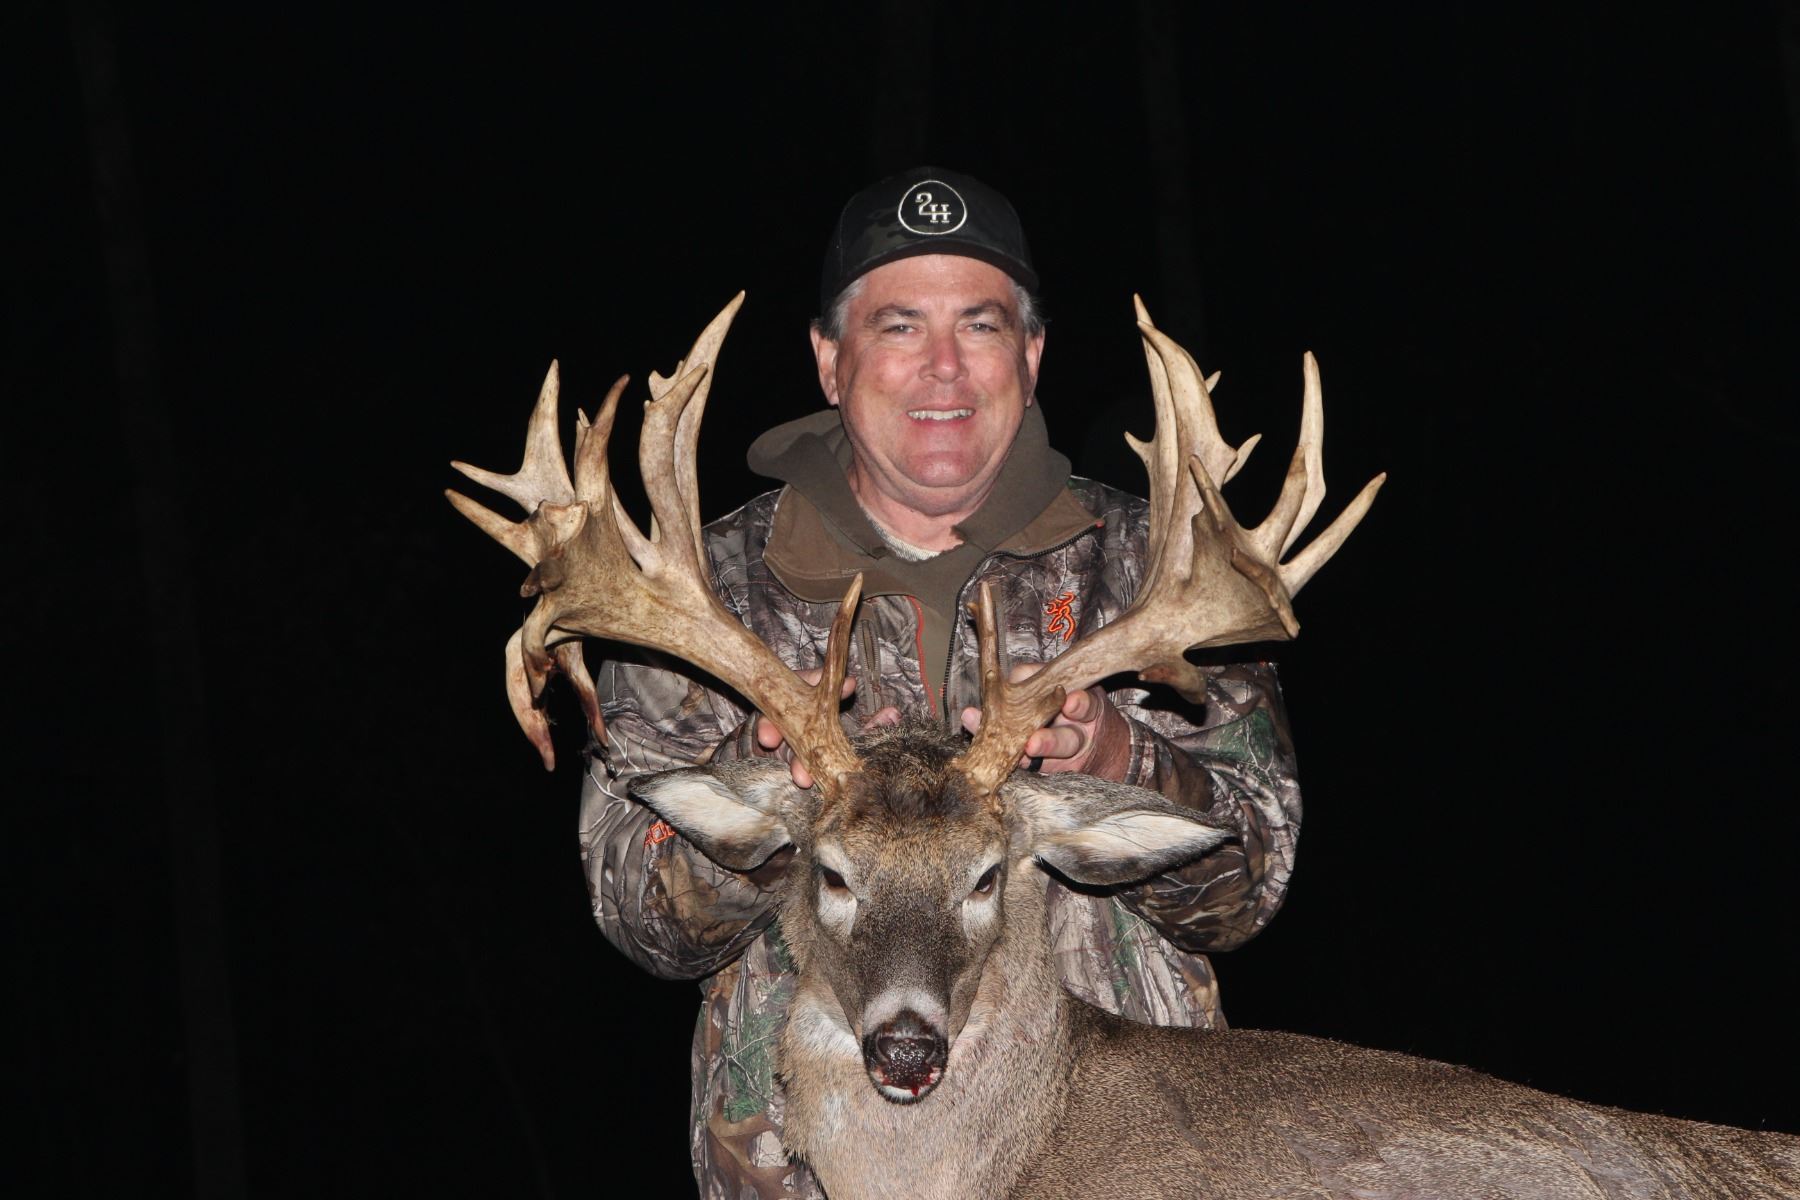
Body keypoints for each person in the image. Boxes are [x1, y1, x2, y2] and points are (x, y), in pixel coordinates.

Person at [580, 167, 1301, 1200]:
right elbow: (636, 912)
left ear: (1032, 356)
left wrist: (1120, 759)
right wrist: (763, 781)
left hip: (1126, 1162)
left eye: (981, 324)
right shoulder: (703, 593)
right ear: (830, 359)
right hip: (801, 1172)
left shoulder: (1163, 575)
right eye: (900, 326)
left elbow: (1252, 880)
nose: (945, 367)